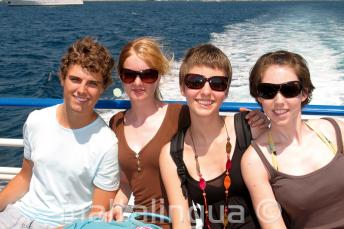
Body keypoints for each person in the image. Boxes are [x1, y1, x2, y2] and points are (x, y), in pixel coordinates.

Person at [107, 37, 267, 228]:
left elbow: (210, 118)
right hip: (140, 223)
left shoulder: (181, 115)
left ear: (159, 76)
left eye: (148, 75)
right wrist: (118, 204)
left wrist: (256, 120)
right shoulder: (116, 122)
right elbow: (126, 180)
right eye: (129, 75)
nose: (138, 82)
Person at [0, 37, 120, 228]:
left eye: (92, 83)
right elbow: (25, 177)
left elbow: (98, 212)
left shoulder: (106, 144)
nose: (82, 90)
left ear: (102, 88)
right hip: (17, 214)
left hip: (63, 225)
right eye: (75, 79)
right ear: (62, 78)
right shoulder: (36, 121)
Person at [159, 44, 264, 228]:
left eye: (217, 83)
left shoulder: (250, 128)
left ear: (226, 91)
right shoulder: (171, 155)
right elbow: (181, 222)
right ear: (183, 88)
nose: (206, 91)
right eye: (195, 81)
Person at [241, 50, 344, 228]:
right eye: (268, 91)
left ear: (303, 93)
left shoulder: (336, 130)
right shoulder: (255, 161)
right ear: (259, 97)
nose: (279, 100)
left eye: (289, 89)